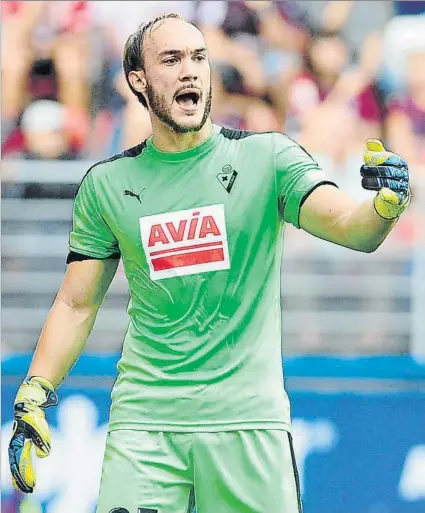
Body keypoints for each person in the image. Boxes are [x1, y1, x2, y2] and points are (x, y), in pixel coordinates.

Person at [8, 12, 410, 513]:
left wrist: (385, 207)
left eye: (199, 58)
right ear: (139, 80)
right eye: (171, 59)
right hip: (146, 424)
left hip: (249, 424)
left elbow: (353, 228)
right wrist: (35, 391)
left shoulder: (269, 159)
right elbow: (75, 301)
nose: (190, 71)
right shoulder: (106, 185)